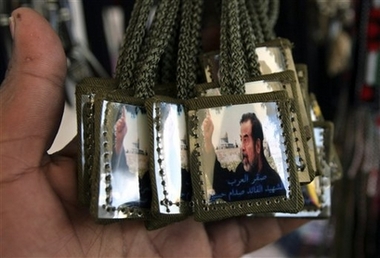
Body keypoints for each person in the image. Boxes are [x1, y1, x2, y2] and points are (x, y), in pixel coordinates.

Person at [0, 8, 308, 257]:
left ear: (259, 141)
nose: (241, 147)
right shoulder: (226, 176)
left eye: (245, 140)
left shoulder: (266, 178)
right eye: (239, 139)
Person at [202, 111, 286, 202]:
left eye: (246, 140)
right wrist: (208, 140)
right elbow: (222, 183)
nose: (242, 147)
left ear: (257, 145)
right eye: (241, 139)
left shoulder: (274, 184)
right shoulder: (242, 171)